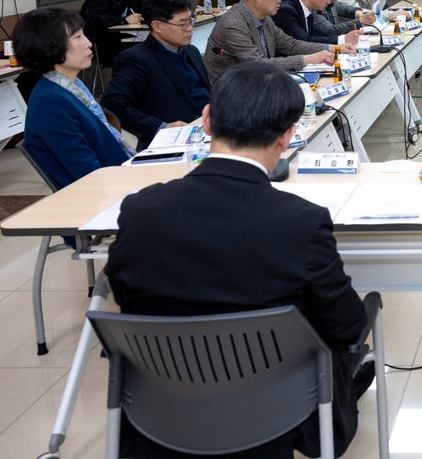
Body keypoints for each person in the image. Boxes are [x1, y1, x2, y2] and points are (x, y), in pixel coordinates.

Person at [105, 63, 372, 459]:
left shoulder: (139, 210)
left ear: (207, 120)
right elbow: (347, 325)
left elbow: (125, 297)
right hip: (275, 406)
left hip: (163, 401)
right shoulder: (301, 222)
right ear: (287, 137)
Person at [13, 7, 134, 189]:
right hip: (110, 191)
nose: (88, 43)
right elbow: (90, 175)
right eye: (78, 37)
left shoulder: (70, 87)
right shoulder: (51, 103)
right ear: (50, 46)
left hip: (121, 174)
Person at [102, 0, 213, 147]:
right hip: (177, 139)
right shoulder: (135, 59)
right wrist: (162, 127)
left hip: (209, 126)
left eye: (191, 20)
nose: (190, 28)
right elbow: (114, 105)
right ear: (157, 26)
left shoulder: (191, 51)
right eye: (182, 24)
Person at [203, 0, 334, 83]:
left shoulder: (264, 18)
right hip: (231, 89)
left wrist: (331, 48)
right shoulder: (233, 24)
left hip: (256, 81)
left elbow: (290, 45)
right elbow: (258, 64)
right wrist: (308, 59)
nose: (279, 1)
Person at [79, 0, 151, 63]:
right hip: (104, 45)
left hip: (128, 39)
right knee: (143, 51)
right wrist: (124, 20)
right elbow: (93, 21)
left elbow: (145, 13)